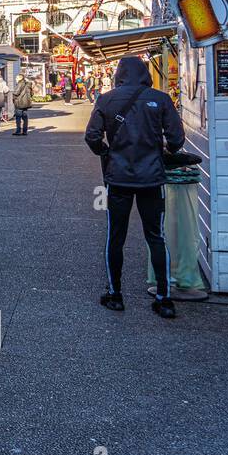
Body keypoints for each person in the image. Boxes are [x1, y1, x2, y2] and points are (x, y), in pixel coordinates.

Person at [85, 55, 186, 317]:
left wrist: (106, 152)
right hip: (152, 178)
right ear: (145, 74)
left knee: (115, 236)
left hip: (118, 178)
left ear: (119, 75)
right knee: (156, 236)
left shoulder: (106, 99)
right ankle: (164, 298)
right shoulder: (161, 99)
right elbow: (176, 139)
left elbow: (92, 136)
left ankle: (115, 293)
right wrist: (164, 149)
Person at [12, 71, 34, 136]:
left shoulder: (20, 83)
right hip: (26, 103)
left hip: (19, 102)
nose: (15, 80)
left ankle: (18, 131)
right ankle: (25, 131)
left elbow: (16, 93)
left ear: (19, 78)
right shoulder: (28, 84)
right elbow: (32, 94)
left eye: (16, 78)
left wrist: (13, 98)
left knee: (18, 117)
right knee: (25, 117)